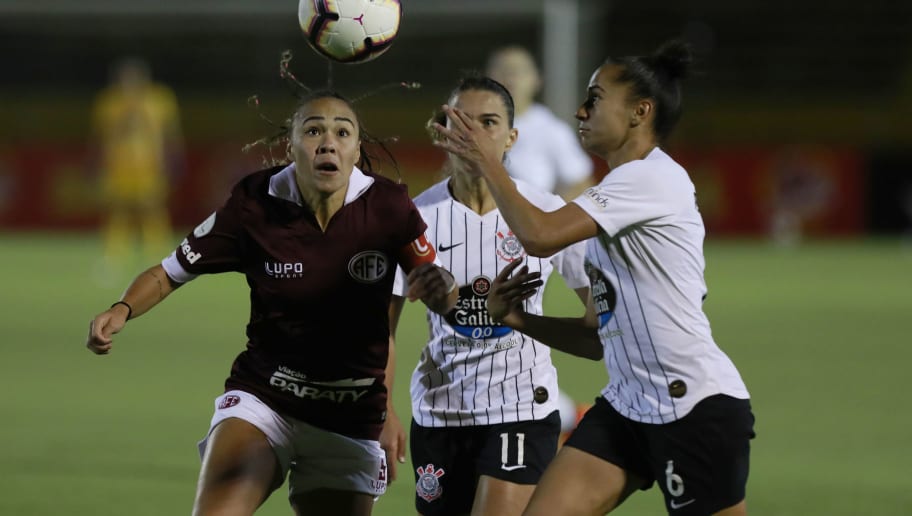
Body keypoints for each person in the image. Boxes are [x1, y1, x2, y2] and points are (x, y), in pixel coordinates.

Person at [85, 90, 459, 516]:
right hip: (265, 400)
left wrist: (437, 283)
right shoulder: (253, 203)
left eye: (342, 132)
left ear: (357, 151)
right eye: (313, 130)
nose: (327, 142)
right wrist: (121, 309)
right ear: (291, 145)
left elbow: (444, 295)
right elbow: (170, 271)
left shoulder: (389, 206)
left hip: (350, 417)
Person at [434, 40, 755, 516]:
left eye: (596, 97)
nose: (581, 109)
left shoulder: (650, 179)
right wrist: (518, 320)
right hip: (627, 406)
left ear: (639, 112)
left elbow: (540, 236)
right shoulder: (614, 200)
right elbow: (593, 338)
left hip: (691, 407)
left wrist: (487, 160)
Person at [387, 76, 590, 516]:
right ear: (443, 131)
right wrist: (382, 409)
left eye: (489, 122)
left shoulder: (548, 213)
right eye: (463, 122)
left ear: (512, 137)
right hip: (441, 410)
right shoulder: (414, 219)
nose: (474, 134)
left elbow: (598, 316)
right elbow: (379, 329)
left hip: (521, 404)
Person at [90, 57, 183, 275]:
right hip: (118, 166)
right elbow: (98, 137)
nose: (128, 83)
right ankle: (113, 257)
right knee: (118, 210)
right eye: (124, 78)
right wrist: (94, 162)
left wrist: (175, 159)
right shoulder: (108, 102)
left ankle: (159, 257)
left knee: (152, 209)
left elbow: (171, 134)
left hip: (150, 166)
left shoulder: (159, 100)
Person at [486, 46, 593, 200]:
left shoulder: (552, 129)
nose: (510, 77)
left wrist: (547, 217)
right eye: (502, 69)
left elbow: (581, 184)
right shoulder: (471, 125)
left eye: (519, 71)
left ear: (536, 80)